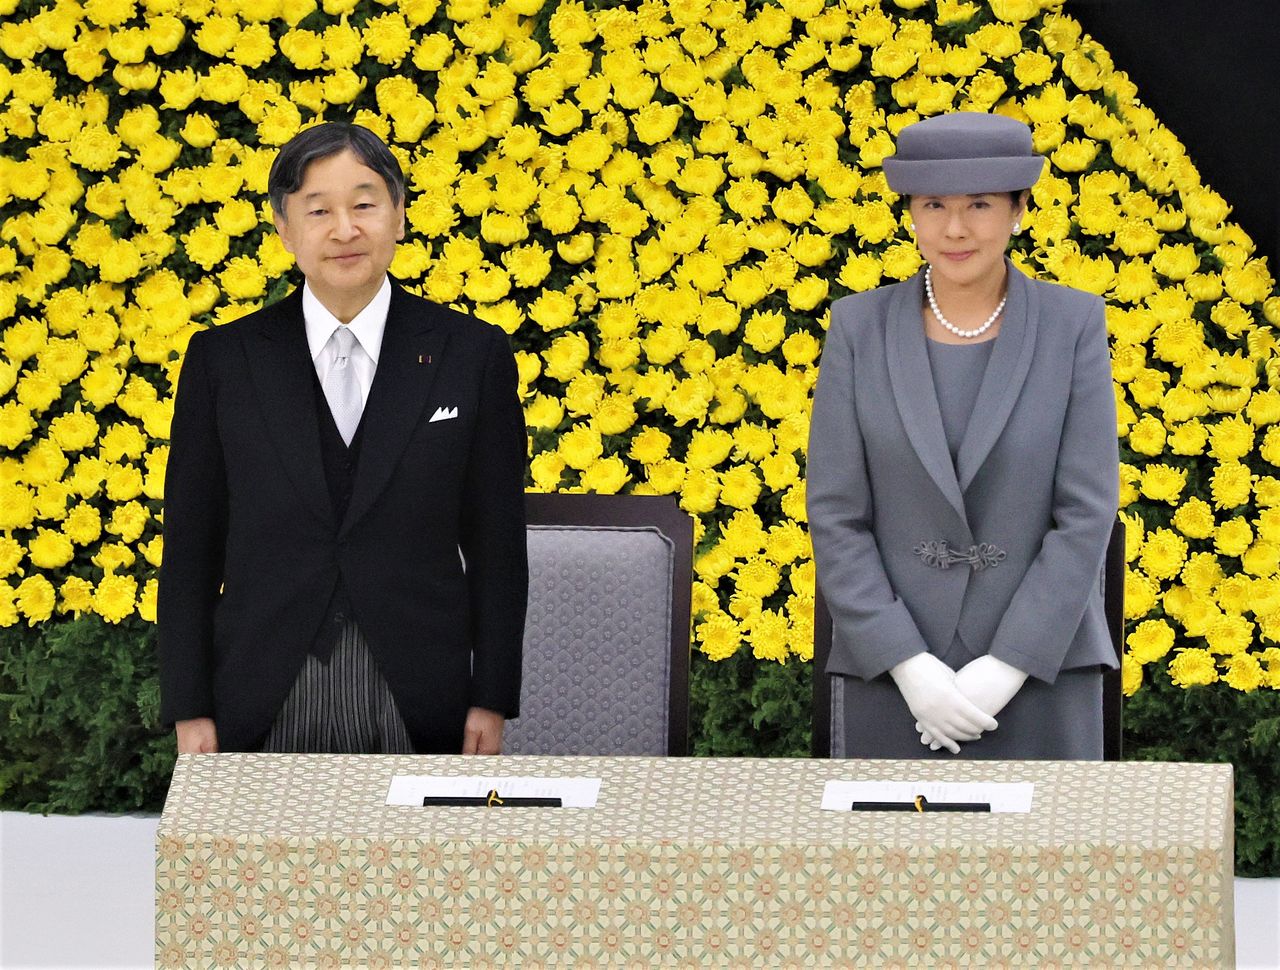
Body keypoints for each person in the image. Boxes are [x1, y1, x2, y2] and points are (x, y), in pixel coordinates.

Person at [157, 123, 528, 756]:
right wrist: (189, 707)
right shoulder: (224, 360)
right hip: (260, 688)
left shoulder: (472, 354)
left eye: (364, 204)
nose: (345, 229)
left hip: (423, 692)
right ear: (284, 229)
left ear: (399, 215)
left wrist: (491, 697)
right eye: (318, 211)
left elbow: (497, 547)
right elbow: (191, 549)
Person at [807, 112, 1119, 759]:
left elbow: (1087, 511)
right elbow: (836, 513)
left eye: (979, 204)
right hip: (893, 678)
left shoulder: (1073, 325)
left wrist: (1008, 663)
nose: (954, 228)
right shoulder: (857, 328)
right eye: (933, 205)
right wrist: (907, 663)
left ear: (1019, 210)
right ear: (911, 214)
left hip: (1043, 670)